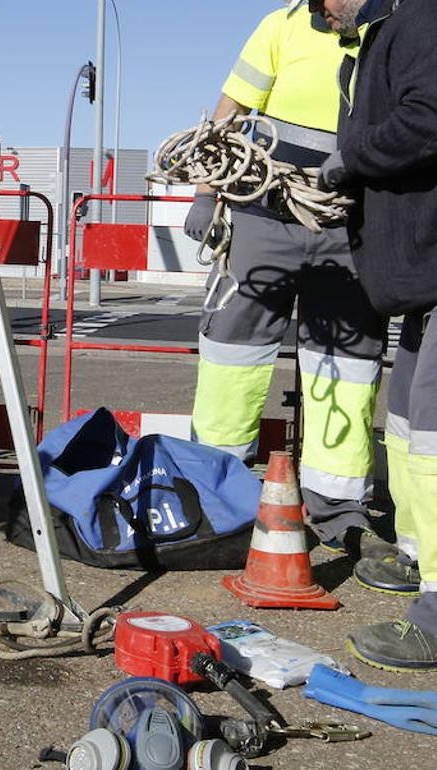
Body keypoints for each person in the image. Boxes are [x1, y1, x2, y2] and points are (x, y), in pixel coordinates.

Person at [184, 0, 398, 576]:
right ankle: (214, 488)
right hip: (264, 216)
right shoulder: (280, 27)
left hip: (350, 226)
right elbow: (229, 112)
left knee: (347, 366)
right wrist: (207, 193)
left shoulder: (392, 33)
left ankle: (339, 511)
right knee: (233, 346)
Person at [314, 0, 437, 671]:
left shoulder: (421, 20)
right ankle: (420, 555)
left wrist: (351, 160)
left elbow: (428, 119)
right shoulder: (391, 34)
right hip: (422, 276)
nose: (322, 16)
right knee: (409, 423)